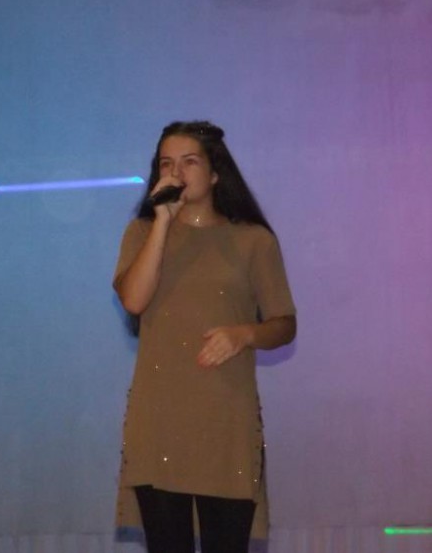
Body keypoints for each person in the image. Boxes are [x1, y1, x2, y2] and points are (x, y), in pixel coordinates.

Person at [112, 121, 297, 552]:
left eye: (189, 162)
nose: (176, 173)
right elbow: (134, 300)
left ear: (215, 174)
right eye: (166, 164)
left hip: (225, 421)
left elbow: (285, 324)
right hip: (158, 421)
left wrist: (245, 334)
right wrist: (162, 221)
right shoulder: (142, 233)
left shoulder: (253, 241)